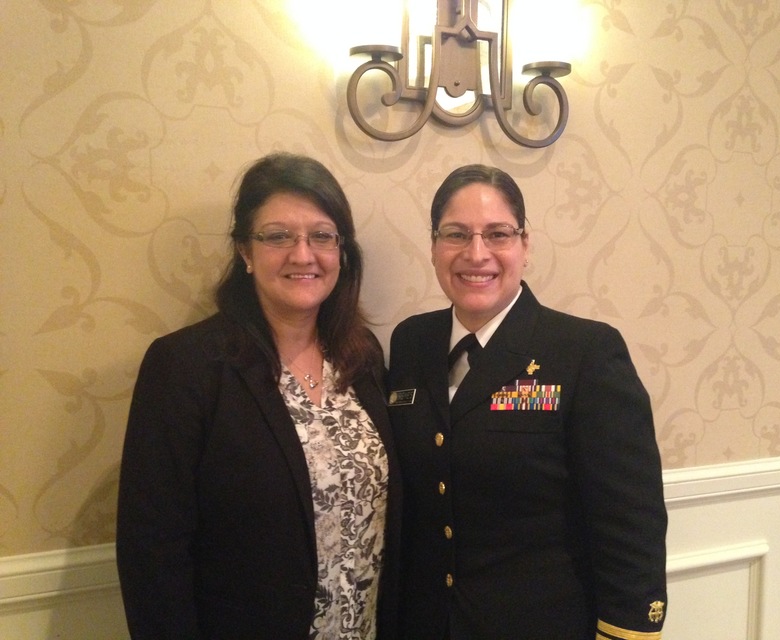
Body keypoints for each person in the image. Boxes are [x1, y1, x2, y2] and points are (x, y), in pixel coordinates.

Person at [116, 153, 401, 640]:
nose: (303, 255)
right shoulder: (186, 367)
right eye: (278, 236)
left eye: (322, 236)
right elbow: (152, 550)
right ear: (245, 252)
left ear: (341, 252)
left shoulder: (363, 357)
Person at [387, 164, 667, 640]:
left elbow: (630, 522)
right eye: (456, 234)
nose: (477, 253)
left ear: (525, 245)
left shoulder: (583, 352)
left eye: (498, 234)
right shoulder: (412, 341)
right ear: (434, 246)